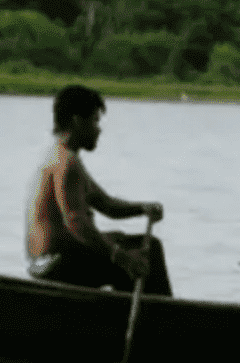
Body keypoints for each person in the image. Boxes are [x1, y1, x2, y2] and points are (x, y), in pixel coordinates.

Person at [25, 84, 172, 296]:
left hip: (58, 258)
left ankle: (137, 311)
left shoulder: (63, 156)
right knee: (147, 251)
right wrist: (121, 257)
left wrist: (142, 208)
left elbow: (107, 205)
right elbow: (77, 224)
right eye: (95, 121)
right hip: (54, 265)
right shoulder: (67, 164)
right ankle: (160, 317)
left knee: (135, 244)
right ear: (77, 121)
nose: (99, 129)